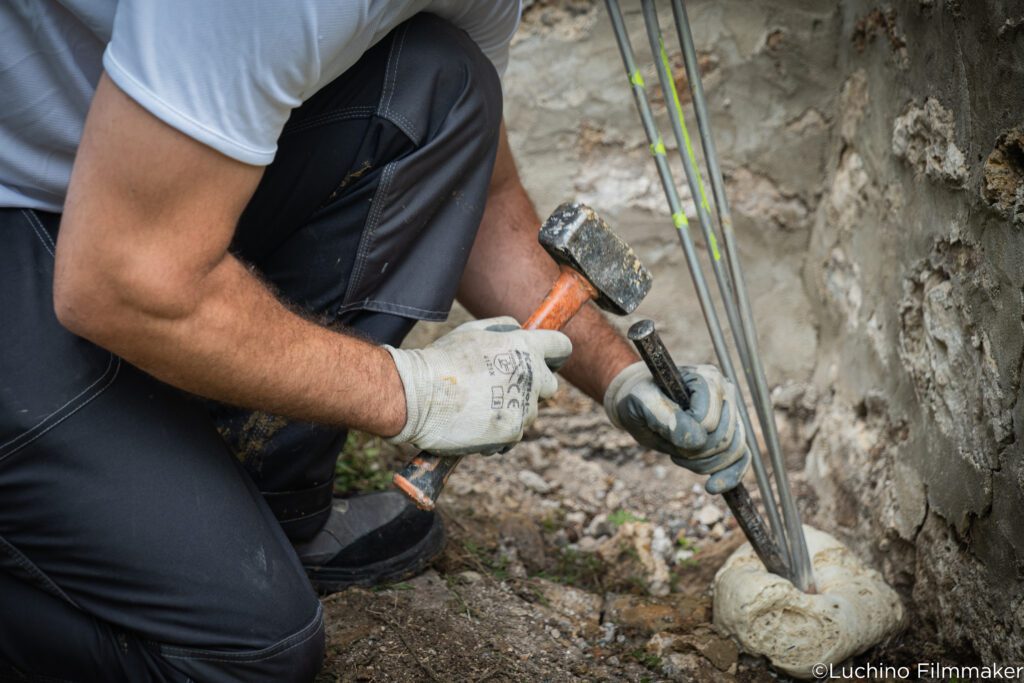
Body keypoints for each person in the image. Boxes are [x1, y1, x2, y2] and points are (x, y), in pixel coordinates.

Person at [0, 1, 748, 680]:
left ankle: (239, 510)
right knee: (246, 653)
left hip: (130, 202)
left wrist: (623, 380)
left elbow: (487, 201)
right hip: (38, 234)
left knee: (447, 86)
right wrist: (414, 391)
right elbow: (119, 279)